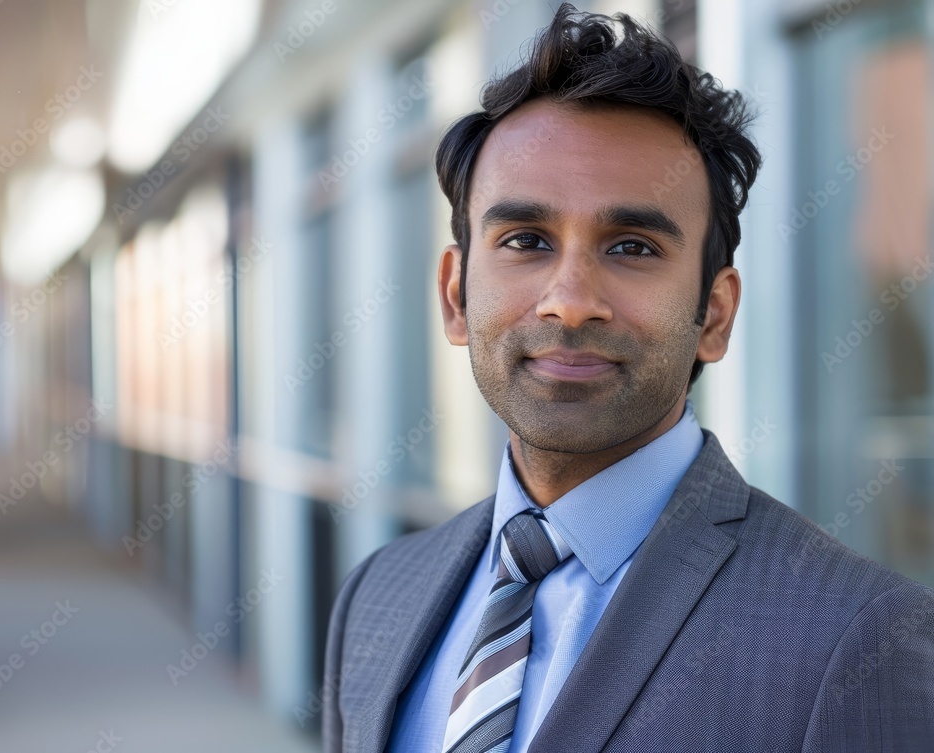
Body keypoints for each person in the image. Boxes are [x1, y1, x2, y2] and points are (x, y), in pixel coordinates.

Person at [322, 6, 934, 752]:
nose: (571, 300)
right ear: (455, 295)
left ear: (713, 313)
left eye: (634, 247)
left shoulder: (856, 640)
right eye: (525, 240)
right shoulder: (376, 595)